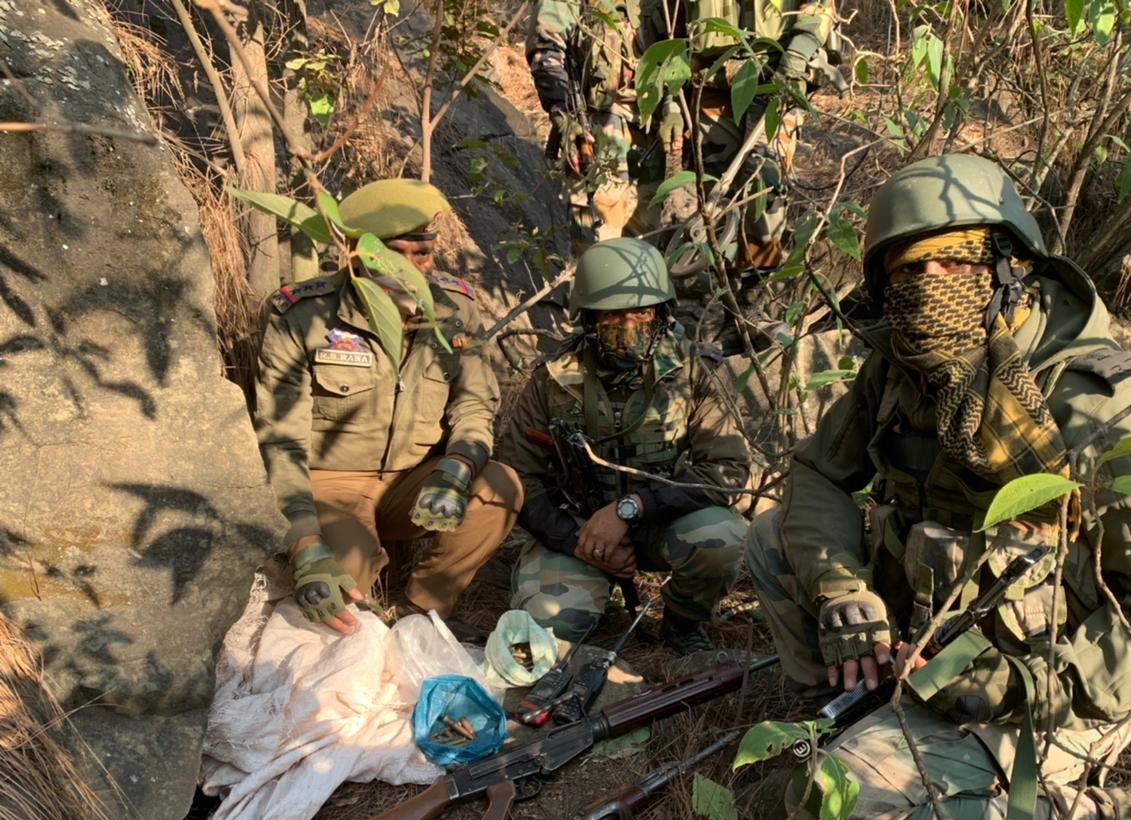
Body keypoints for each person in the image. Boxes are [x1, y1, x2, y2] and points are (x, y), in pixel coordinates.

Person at [746, 154, 1131, 820]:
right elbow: (817, 473)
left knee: (838, 808)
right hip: (928, 636)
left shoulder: (1103, 403)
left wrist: (1022, 683)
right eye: (906, 275)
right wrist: (845, 592)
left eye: (954, 263)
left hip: (1056, 678)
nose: (929, 289)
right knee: (773, 540)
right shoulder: (902, 370)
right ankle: (861, 707)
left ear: (1012, 265)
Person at [254, 178, 522, 633]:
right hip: (331, 485)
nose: (415, 268)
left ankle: (420, 614)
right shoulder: (303, 314)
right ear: (357, 252)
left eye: (425, 253)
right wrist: (304, 541)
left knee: (499, 486)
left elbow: (476, 402)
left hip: (417, 480)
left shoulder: (454, 308)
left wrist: (459, 463)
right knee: (342, 610)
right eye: (400, 253)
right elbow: (281, 441)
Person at [503, 237, 751, 652]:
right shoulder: (552, 380)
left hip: (659, 523)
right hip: (575, 531)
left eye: (642, 311)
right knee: (549, 630)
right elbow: (518, 478)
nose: (630, 324)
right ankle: (583, 590)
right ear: (589, 318)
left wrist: (631, 508)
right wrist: (580, 542)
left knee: (722, 537)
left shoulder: (690, 373)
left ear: (662, 314)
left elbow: (727, 470)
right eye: (614, 314)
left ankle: (683, 625)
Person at [526, 0, 838, 270]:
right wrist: (564, 116)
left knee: (648, 235)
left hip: (650, 125)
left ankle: (740, 303)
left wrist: (671, 104)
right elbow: (547, 48)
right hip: (599, 122)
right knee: (599, 230)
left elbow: (671, 47)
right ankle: (595, 319)